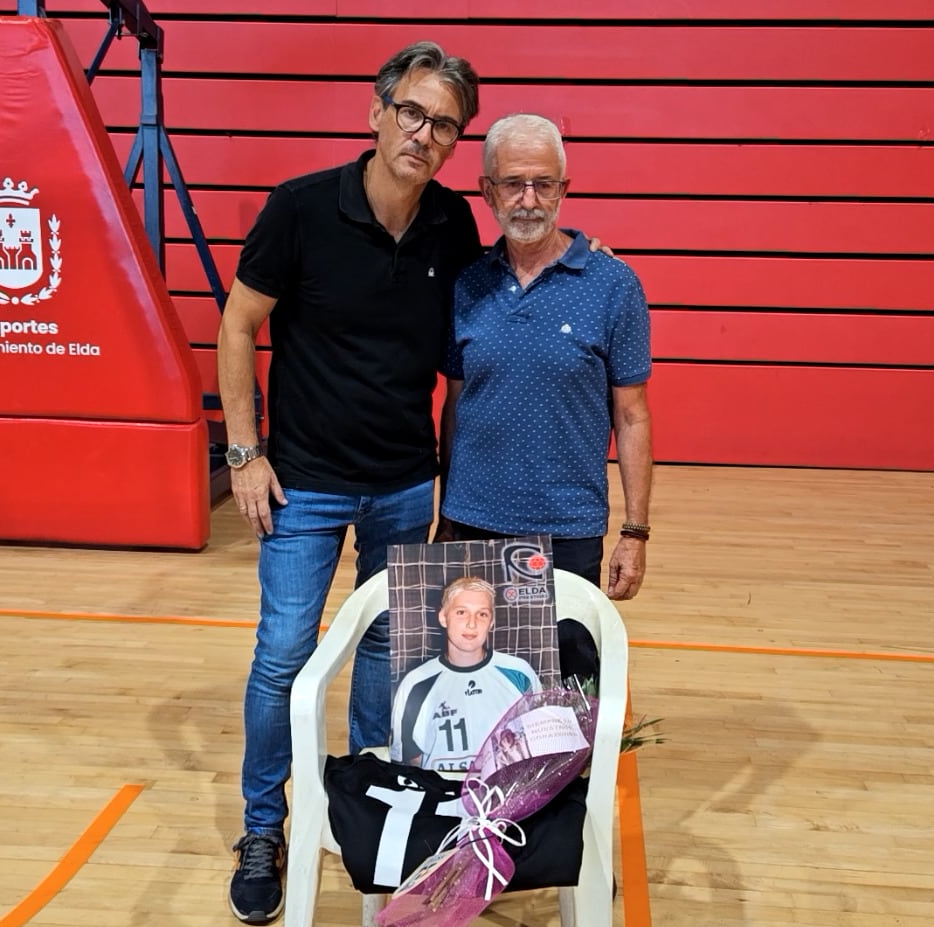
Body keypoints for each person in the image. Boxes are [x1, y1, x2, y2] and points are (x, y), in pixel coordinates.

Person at [214, 42, 482, 925]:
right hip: (305, 485)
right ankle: (265, 825)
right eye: (411, 111)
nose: (424, 133)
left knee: (383, 653)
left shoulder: (451, 225)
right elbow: (238, 324)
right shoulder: (299, 210)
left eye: (444, 123)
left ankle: (364, 803)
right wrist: (244, 454)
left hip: (404, 484)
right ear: (376, 112)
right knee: (285, 654)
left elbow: (481, 331)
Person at [437, 114, 654, 617]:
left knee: (568, 687)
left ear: (563, 189)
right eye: (513, 183)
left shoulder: (614, 284)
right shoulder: (466, 284)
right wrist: (446, 514)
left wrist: (635, 532)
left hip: (569, 527)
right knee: (476, 679)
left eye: (543, 184)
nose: (529, 199)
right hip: (472, 521)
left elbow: (632, 415)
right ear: (488, 191)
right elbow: (455, 406)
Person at [390, 576, 542, 772]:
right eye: (461, 612)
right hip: (440, 792)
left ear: (492, 622)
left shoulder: (520, 673)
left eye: (482, 614)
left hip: (507, 791)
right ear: (443, 617)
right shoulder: (416, 682)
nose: (472, 624)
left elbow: (540, 740)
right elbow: (409, 757)